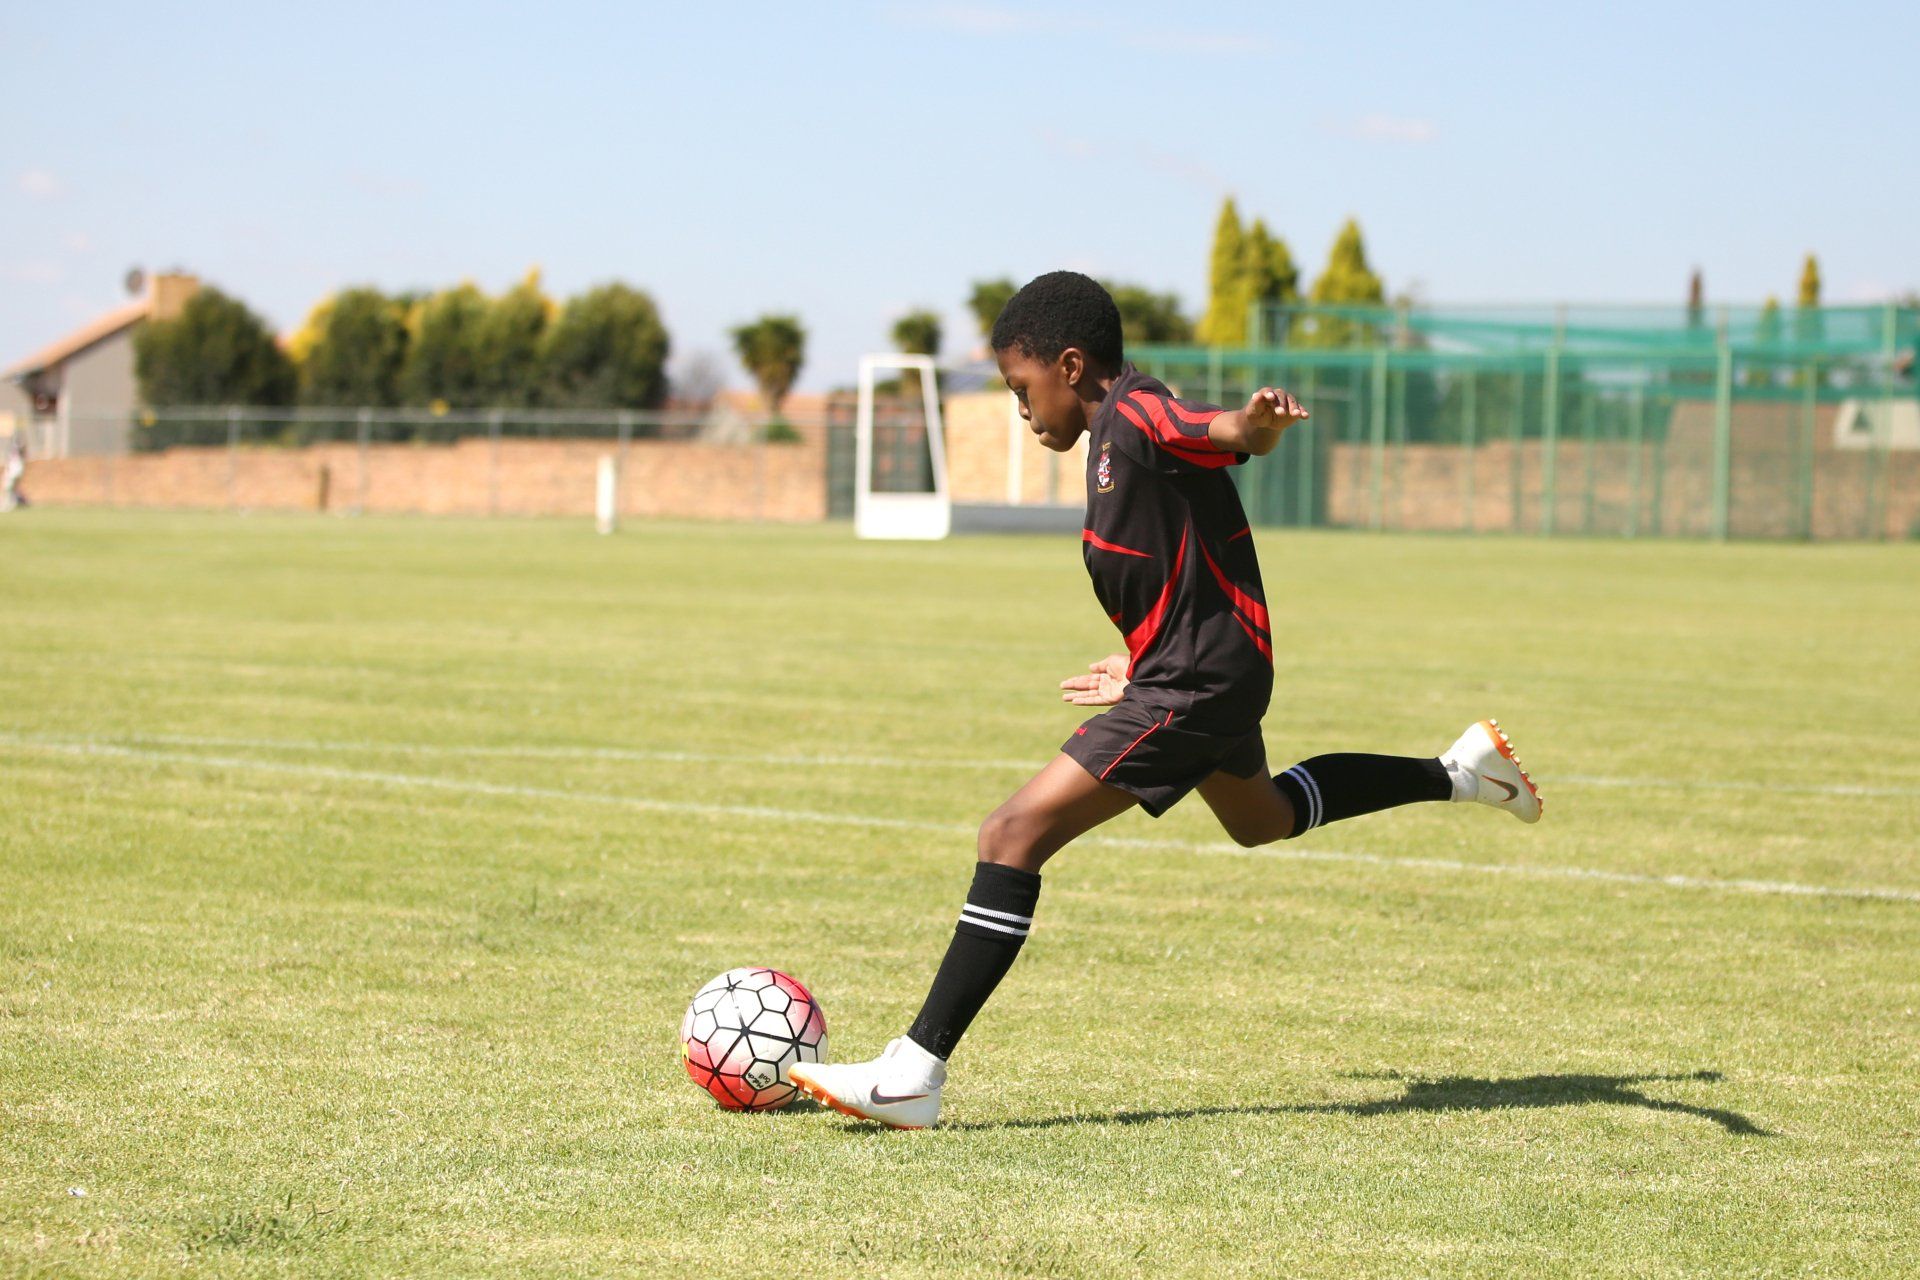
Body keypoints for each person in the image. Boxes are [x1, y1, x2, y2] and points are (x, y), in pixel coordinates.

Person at [789, 272, 1541, 1129]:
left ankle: (912, 1074)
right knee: (1261, 818)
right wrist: (1140, 661)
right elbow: (1180, 567)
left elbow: (1214, 429)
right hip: (1194, 672)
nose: (1022, 410)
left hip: (1197, 683)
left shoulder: (1135, 412)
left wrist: (1253, 426)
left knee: (1011, 833)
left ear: (1071, 366)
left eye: (1021, 388)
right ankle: (1462, 771)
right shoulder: (1111, 440)